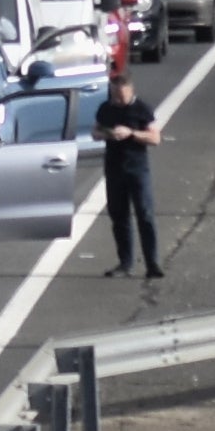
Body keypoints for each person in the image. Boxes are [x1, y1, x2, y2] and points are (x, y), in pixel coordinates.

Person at [94, 62, 164, 279]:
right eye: (116, 95)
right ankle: (125, 263)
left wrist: (131, 133)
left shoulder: (142, 109)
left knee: (145, 214)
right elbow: (95, 132)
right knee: (119, 216)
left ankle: (152, 263)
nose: (119, 99)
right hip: (114, 168)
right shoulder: (106, 109)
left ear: (130, 89)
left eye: (122, 95)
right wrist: (108, 134)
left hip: (137, 168)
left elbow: (154, 138)